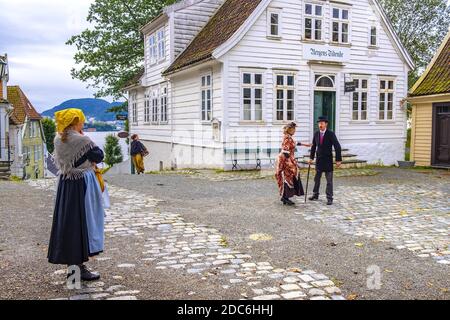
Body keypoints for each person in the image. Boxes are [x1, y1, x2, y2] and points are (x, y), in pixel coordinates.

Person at [48, 108, 105, 281]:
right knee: (82, 223)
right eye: (81, 120)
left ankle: (72, 269)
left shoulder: (58, 139)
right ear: (75, 122)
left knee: (68, 223)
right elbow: (99, 155)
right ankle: (78, 269)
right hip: (82, 184)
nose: (83, 123)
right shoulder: (82, 139)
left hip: (66, 184)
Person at [275, 122, 312, 205]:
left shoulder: (289, 137)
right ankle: (285, 197)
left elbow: (295, 143)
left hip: (289, 159)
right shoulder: (287, 138)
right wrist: (290, 163)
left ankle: (285, 197)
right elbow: (285, 151)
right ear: (290, 129)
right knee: (288, 176)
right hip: (285, 160)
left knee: (290, 177)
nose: (295, 131)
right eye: (294, 129)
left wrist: (306, 145)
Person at [308, 116, 342, 205]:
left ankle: (329, 198)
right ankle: (315, 194)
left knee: (329, 181)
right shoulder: (316, 134)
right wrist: (311, 158)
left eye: (322, 123)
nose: (320, 125)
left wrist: (338, 159)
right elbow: (313, 146)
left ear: (326, 124)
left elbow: (337, 146)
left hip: (327, 161)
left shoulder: (331, 134)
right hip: (319, 160)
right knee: (317, 179)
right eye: (319, 123)